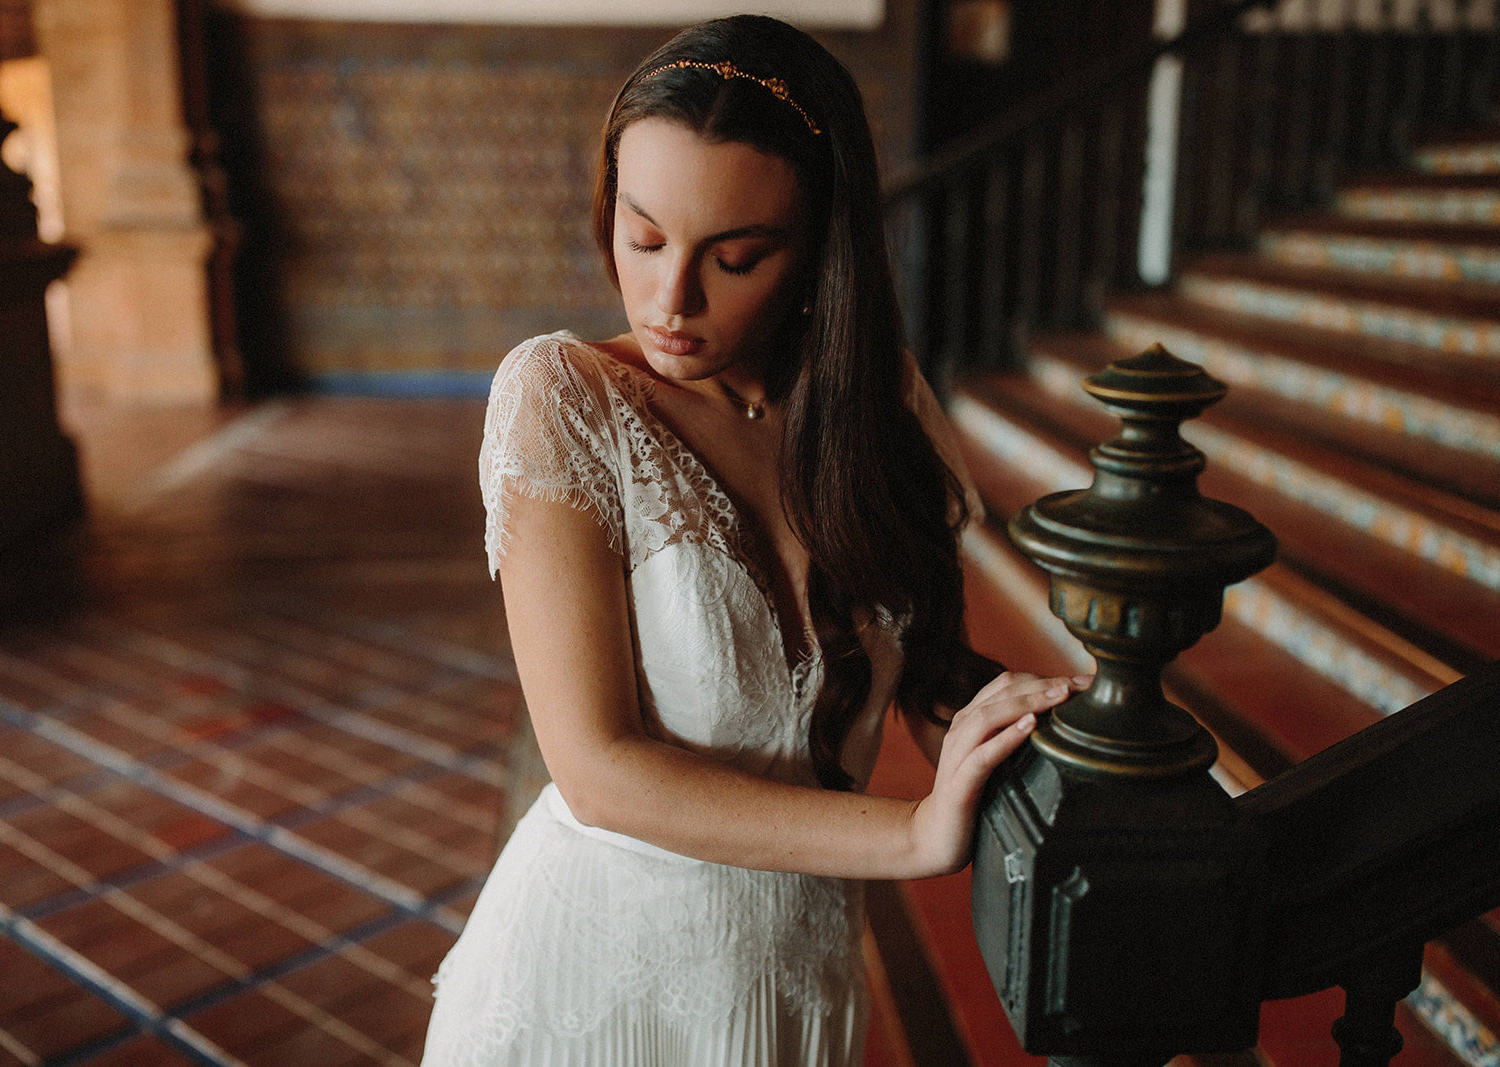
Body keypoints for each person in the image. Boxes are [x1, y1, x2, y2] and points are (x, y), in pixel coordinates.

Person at [420, 14, 1087, 1066]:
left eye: (733, 257)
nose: (669, 298)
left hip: (795, 974)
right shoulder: (563, 397)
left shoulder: (882, 404)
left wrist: (1040, 714)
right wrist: (910, 832)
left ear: (820, 250)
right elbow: (597, 769)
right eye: (641, 238)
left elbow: (922, 660)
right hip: (595, 987)